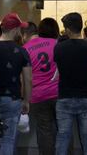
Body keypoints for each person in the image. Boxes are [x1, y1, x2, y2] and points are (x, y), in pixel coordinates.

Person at [54, 13, 87, 155]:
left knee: (63, 136)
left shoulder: (59, 48)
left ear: (68, 30)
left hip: (64, 97)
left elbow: (59, 69)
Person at [0, 13, 32, 155]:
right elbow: (28, 79)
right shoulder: (22, 51)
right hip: (12, 99)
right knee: (8, 140)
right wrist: (26, 101)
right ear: (15, 30)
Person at [22, 18, 59, 155]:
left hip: (38, 96)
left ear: (24, 35)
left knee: (45, 131)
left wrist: (25, 99)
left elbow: (26, 77)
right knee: (63, 130)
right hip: (57, 92)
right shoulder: (55, 43)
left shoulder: (25, 49)